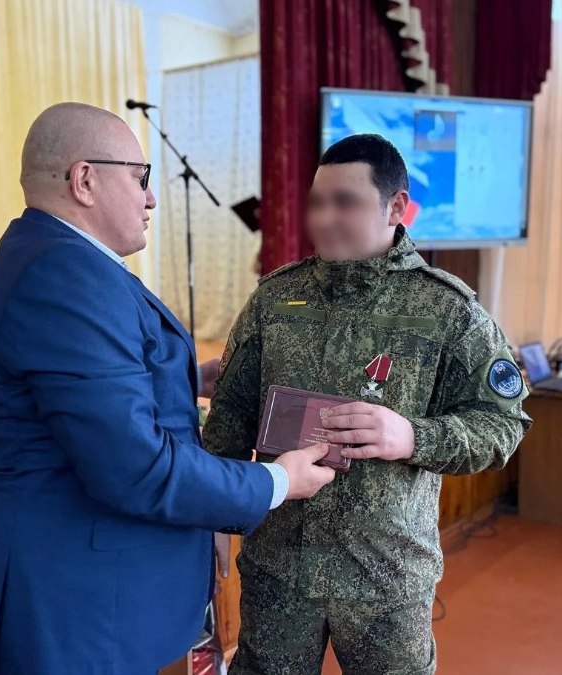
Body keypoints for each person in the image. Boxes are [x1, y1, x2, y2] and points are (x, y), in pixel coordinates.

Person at [0, 102, 337, 675]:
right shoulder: (66, 276)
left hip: (87, 595)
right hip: (74, 605)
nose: (152, 197)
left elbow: (86, 396)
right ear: (85, 180)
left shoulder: (56, 258)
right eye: (140, 178)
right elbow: (133, 464)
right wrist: (277, 481)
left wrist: (185, 377)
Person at [203, 133, 531, 674]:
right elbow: (229, 423)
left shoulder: (447, 309)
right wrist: (215, 517)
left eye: (345, 202)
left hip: (386, 577)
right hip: (280, 569)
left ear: (396, 207)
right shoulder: (276, 299)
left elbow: (502, 424)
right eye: (317, 201)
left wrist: (413, 437)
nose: (324, 218)